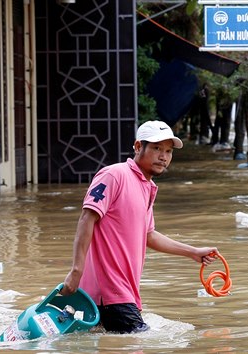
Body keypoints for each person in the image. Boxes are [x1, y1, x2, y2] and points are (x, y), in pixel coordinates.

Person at [60, 120, 218, 333]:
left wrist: (193, 252)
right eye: (156, 148)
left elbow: (148, 235)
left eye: (168, 151)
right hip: (110, 292)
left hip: (122, 293)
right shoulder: (114, 175)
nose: (163, 156)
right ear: (137, 147)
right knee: (143, 342)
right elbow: (86, 218)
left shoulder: (147, 186)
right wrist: (76, 271)